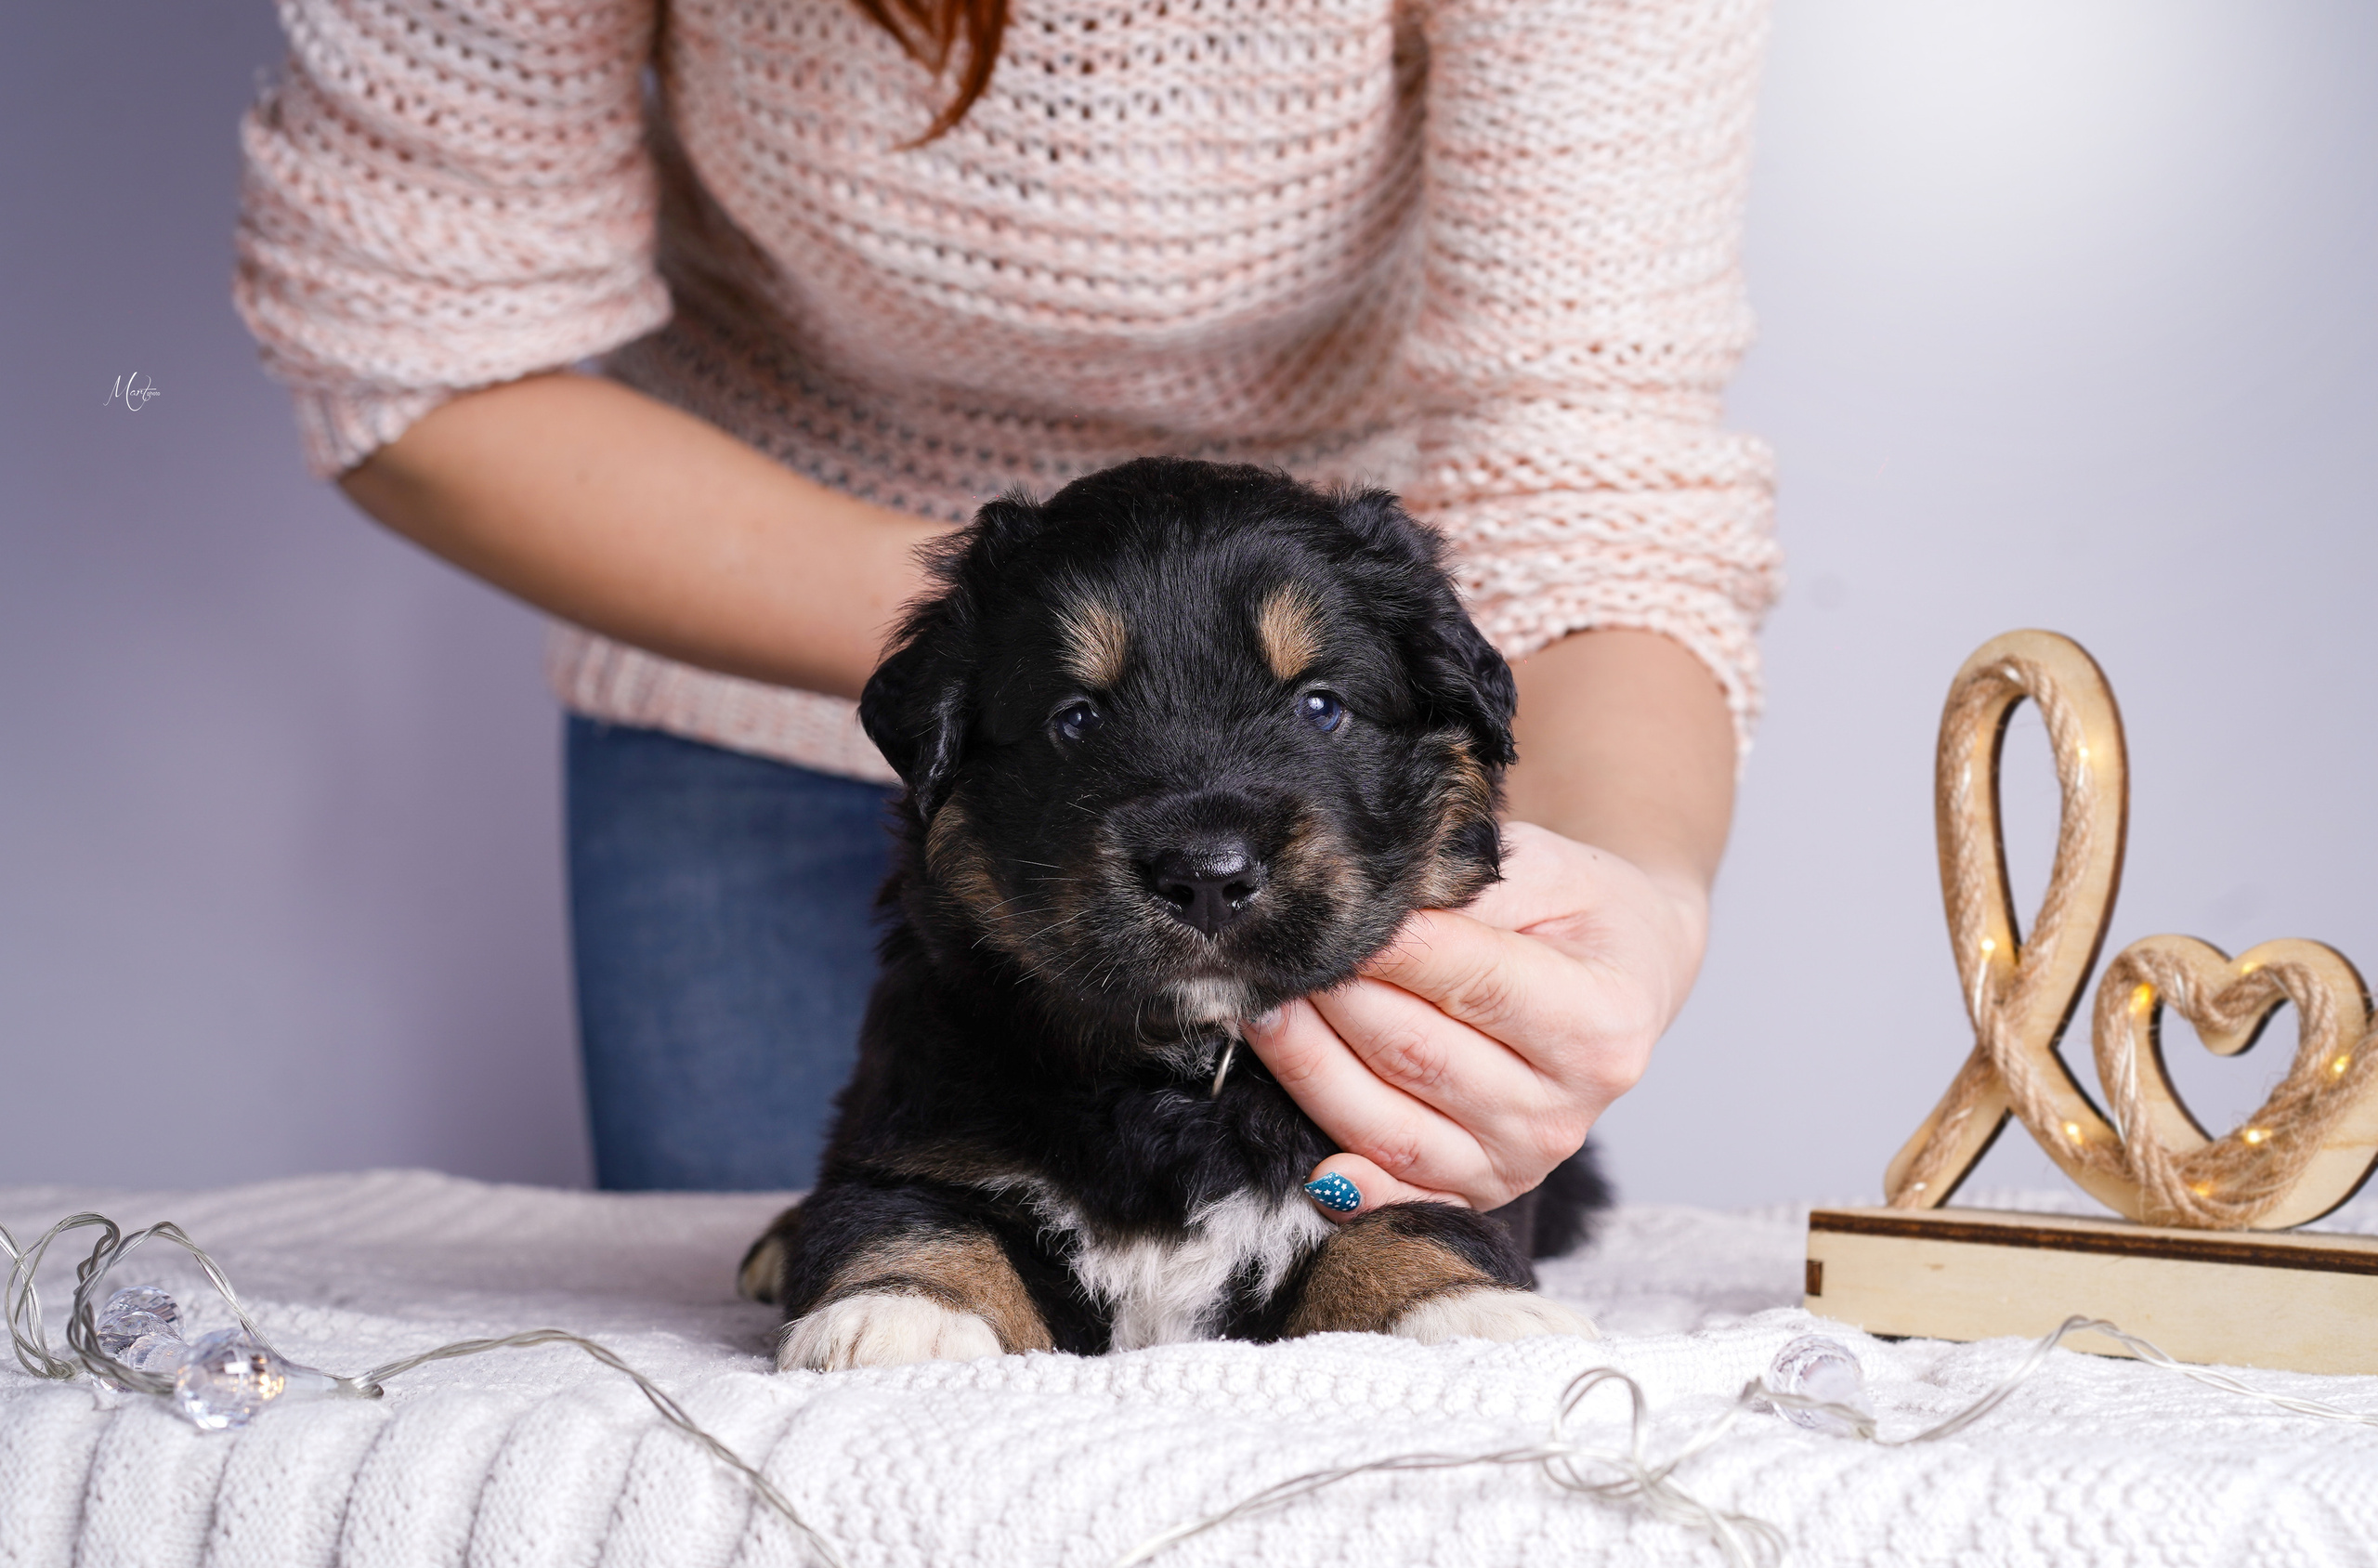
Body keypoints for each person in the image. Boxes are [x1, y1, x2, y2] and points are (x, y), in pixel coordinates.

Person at [233, 0, 1780, 1219]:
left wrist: (1637, 897)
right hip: (749, 649)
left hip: (1321, 711)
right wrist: (1002, 649)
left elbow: (1599, 462)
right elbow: (407, 335)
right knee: (796, 1385)